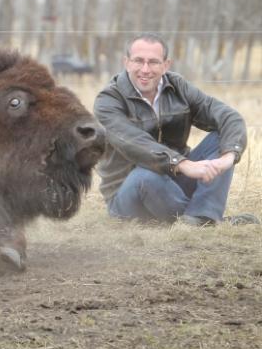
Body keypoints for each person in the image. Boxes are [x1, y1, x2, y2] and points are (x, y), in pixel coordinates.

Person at [94, 32, 259, 226]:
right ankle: (207, 220)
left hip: (174, 183)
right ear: (126, 62)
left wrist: (228, 158)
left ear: (166, 65)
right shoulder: (108, 100)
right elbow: (136, 143)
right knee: (145, 175)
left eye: (154, 62)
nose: (145, 69)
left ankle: (200, 217)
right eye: (138, 61)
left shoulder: (178, 87)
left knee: (221, 137)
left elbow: (229, 117)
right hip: (128, 192)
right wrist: (182, 163)